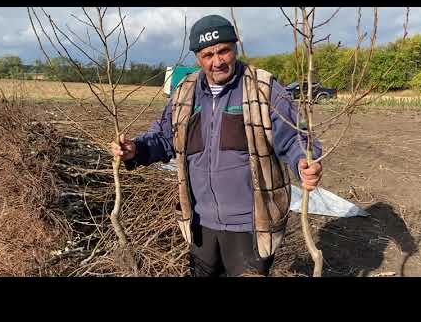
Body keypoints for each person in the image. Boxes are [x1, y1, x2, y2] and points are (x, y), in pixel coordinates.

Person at [111, 14, 323, 277]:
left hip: (251, 224)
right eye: (208, 55)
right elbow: (165, 137)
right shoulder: (185, 92)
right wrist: (136, 149)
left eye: (224, 51)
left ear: (236, 47)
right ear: (198, 58)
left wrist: (304, 161)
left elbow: (294, 137)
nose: (217, 61)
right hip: (200, 223)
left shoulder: (263, 88)